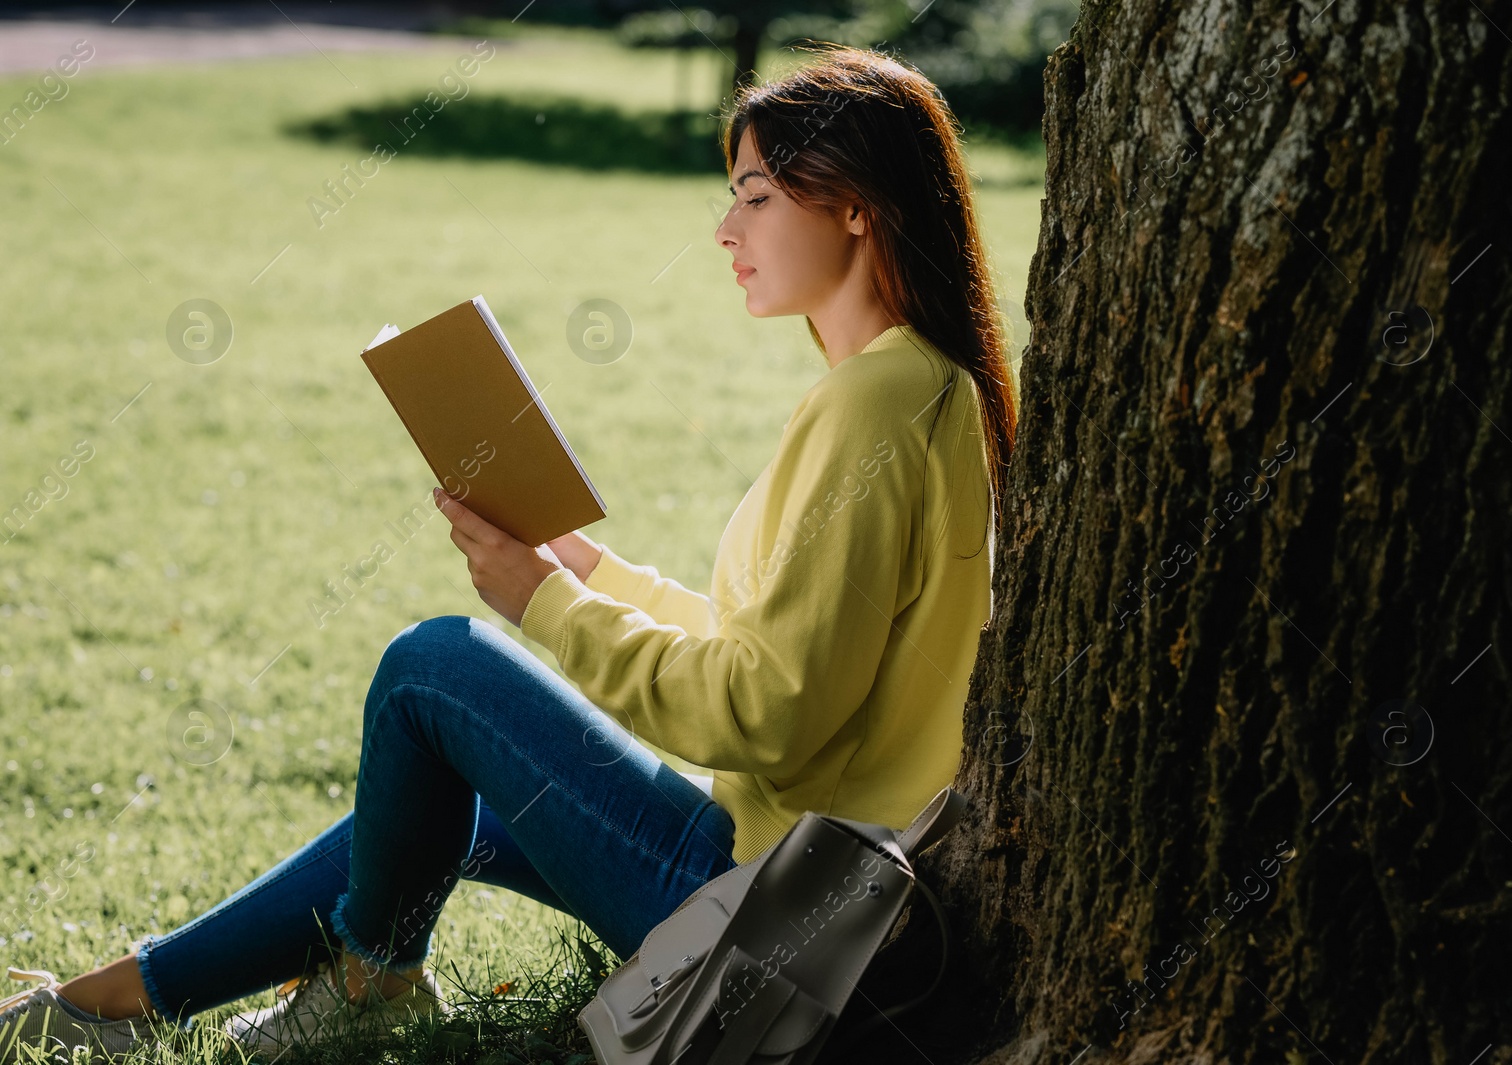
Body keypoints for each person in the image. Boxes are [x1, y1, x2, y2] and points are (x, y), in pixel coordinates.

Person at [0, 42, 1016, 1063]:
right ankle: (136, 997)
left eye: (753, 196)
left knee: (434, 669)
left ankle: (352, 986)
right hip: (802, 894)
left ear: (853, 204)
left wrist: (545, 604)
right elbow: (796, 654)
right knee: (464, 809)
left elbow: (769, 712)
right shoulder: (922, 388)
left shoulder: (876, 403)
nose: (724, 230)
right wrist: (588, 573)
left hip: (780, 920)